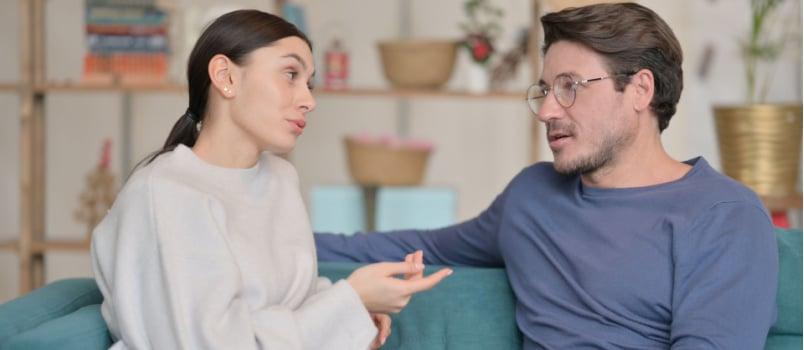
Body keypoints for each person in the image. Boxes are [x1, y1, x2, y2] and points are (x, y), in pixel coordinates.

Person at [315, 3, 778, 349]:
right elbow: (408, 249)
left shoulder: (724, 216)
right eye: (545, 90)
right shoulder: (532, 197)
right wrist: (263, 235)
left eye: (569, 88)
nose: (548, 111)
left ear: (639, 90)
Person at [90, 9, 452, 350]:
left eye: (309, 83)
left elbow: (291, 302)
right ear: (226, 77)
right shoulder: (166, 192)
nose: (309, 100)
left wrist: (357, 314)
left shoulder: (280, 179)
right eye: (291, 75)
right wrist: (349, 302)